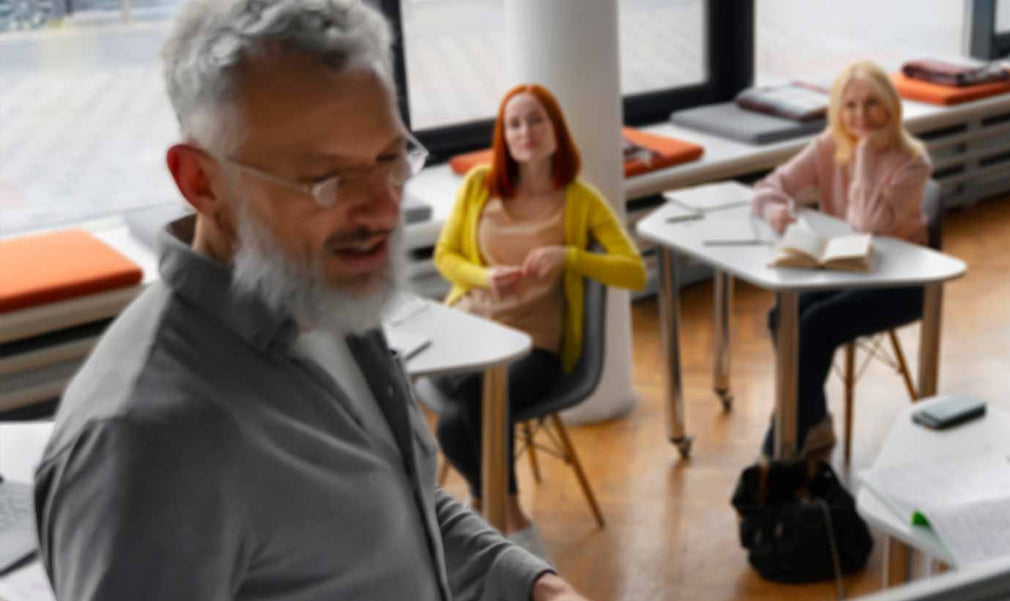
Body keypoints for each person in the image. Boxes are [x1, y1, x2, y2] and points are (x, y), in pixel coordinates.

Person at [32, 1, 589, 599]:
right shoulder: (144, 448)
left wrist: (535, 586)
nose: (382, 208)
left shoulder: (328, 297)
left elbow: (399, 513)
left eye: (388, 158)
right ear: (201, 183)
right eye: (325, 178)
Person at [432, 83, 645, 550]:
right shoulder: (478, 186)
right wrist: (484, 277)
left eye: (535, 120)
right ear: (503, 137)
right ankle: (504, 511)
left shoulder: (580, 199)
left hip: (534, 346)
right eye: (514, 123)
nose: (524, 131)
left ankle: (497, 516)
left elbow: (633, 272)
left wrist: (570, 255)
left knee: (468, 406)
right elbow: (445, 256)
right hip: (471, 329)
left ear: (555, 130)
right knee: (456, 414)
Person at [749, 60, 934, 458]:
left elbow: (868, 224)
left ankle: (779, 446)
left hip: (901, 283)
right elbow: (769, 186)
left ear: (890, 107)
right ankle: (811, 421)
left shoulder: (913, 163)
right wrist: (775, 210)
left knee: (816, 324)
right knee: (781, 315)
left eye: (871, 104)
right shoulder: (829, 144)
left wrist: (865, 154)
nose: (860, 115)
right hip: (846, 270)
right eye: (849, 106)